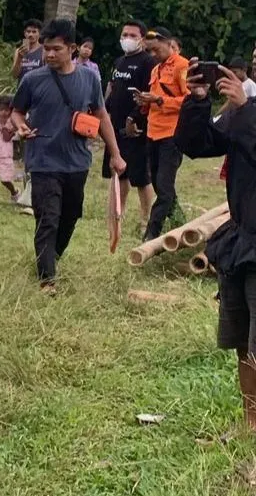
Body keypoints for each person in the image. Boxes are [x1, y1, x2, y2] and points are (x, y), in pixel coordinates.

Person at [12, 19, 126, 293]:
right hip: (42, 160)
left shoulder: (89, 79)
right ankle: (46, 279)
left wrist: (115, 153)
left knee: (70, 215)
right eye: (46, 49)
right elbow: (17, 111)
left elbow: (101, 116)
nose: (49, 54)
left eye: (56, 49)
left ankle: (51, 256)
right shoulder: (32, 79)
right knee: (48, 216)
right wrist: (21, 126)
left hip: (76, 162)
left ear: (72, 49)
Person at [175, 60, 256, 430]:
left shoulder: (246, 110)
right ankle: (250, 423)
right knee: (244, 339)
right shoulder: (245, 109)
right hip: (244, 240)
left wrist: (243, 112)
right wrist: (197, 101)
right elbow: (198, 143)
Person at [136, 26, 190, 242]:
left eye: (156, 50)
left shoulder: (182, 66)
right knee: (159, 185)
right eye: (150, 51)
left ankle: (152, 234)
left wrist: (159, 100)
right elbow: (153, 102)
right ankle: (180, 225)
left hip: (172, 134)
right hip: (153, 132)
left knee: (164, 187)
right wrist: (143, 103)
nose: (153, 55)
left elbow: (189, 101)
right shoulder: (155, 69)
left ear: (170, 44)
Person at [101, 19, 157, 224]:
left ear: (142, 39)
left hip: (136, 127)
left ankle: (146, 218)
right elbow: (113, 89)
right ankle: (118, 214)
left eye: (133, 36)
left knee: (141, 176)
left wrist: (135, 118)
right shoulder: (119, 62)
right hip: (115, 125)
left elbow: (148, 95)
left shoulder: (148, 63)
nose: (128, 39)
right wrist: (103, 110)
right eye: (125, 35)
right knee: (119, 172)